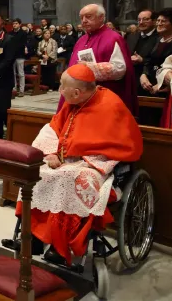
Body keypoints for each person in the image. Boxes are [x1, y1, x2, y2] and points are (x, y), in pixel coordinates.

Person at [16, 65, 142, 266]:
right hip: (67, 159)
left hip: (97, 164)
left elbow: (120, 144)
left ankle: (61, 245)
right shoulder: (74, 101)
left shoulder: (110, 105)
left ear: (76, 92)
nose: (59, 92)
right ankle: (34, 237)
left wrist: (83, 162)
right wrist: (50, 153)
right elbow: (53, 127)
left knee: (74, 180)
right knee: (37, 173)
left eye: (61, 87)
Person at [58, 4, 138, 115]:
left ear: (101, 17)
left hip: (103, 98)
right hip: (78, 98)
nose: (84, 20)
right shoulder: (81, 40)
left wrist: (90, 68)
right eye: (81, 18)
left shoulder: (113, 38)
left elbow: (120, 68)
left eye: (88, 16)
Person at [140, 9, 172, 98]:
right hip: (149, 87)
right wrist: (143, 75)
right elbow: (148, 61)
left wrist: (161, 85)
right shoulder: (156, 40)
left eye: (163, 21)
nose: (159, 23)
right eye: (158, 20)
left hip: (166, 91)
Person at [127, 9, 158, 84]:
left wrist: (142, 60)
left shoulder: (159, 38)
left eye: (145, 19)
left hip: (149, 79)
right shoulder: (131, 37)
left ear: (154, 21)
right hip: (130, 78)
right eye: (139, 20)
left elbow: (159, 61)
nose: (141, 22)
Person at [9, 18, 28, 97]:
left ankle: (21, 90)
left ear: (20, 24)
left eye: (16, 23)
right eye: (13, 23)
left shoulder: (23, 33)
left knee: (20, 73)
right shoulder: (10, 33)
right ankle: (14, 89)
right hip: (11, 56)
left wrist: (14, 47)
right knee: (12, 73)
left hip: (20, 55)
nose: (14, 25)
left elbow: (22, 44)